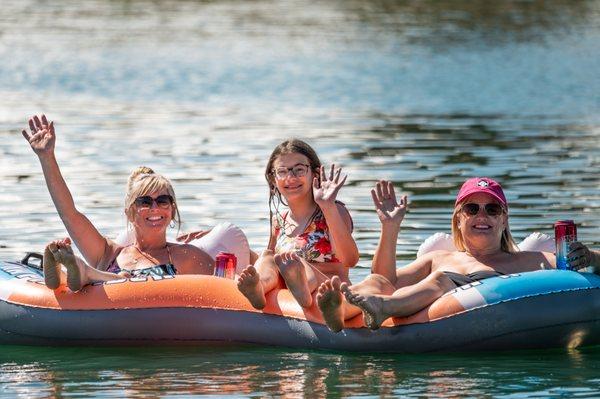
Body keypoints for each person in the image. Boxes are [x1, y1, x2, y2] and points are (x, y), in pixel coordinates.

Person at [317, 177, 600, 332]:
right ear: (459, 219)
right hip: (436, 308)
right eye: (472, 209)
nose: (482, 216)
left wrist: (589, 257)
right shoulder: (441, 258)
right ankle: (338, 311)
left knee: (440, 279)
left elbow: (579, 271)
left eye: (492, 209)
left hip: (485, 302)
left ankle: (382, 308)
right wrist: (390, 228)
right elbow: (386, 278)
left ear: (504, 220)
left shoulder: (530, 260)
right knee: (377, 284)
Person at [22, 115, 213, 291]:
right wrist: (47, 157)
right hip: (109, 316)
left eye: (163, 200)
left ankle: (85, 273)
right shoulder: (108, 253)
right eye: (145, 201)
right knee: (117, 277)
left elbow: (225, 292)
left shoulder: (188, 257)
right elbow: (69, 214)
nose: (155, 208)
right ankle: (72, 273)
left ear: (172, 209)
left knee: (119, 277)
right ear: (130, 212)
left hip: (155, 317)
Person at [236, 138, 359, 309]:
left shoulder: (333, 210)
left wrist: (328, 206)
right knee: (268, 257)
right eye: (282, 171)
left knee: (296, 262)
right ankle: (259, 288)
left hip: (330, 292)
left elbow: (350, 260)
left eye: (299, 170)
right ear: (273, 179)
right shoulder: (279, 221)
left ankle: (304, 287)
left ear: (314, 174)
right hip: (290, 296)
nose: (291, 178)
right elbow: (270, 266)